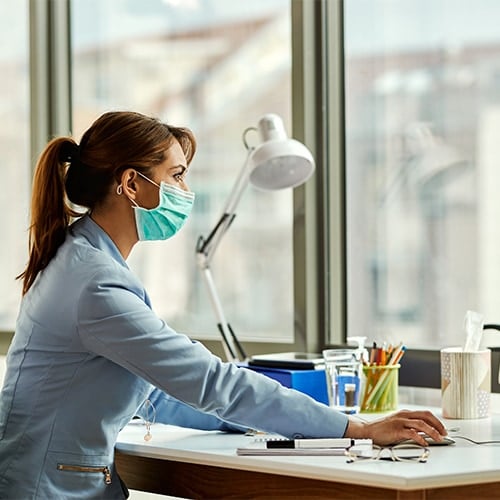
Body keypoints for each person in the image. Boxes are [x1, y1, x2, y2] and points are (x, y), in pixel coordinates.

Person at [0, 111, 447, 498]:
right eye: (176, 175)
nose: (185, 189)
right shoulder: (96, 285)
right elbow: (212, 382)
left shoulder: (83, 260)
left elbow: (158, 389)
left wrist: (265, 422)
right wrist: (357, 429)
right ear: (131, 184)